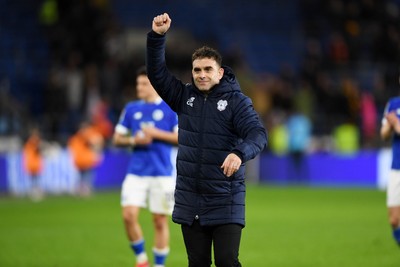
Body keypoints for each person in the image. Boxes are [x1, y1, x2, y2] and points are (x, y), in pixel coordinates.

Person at [147, 13, 268, 267]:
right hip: (191, 200)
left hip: (225, 198)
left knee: (226, 261)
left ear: (220, 72)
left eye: (207, 69)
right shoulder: (183, 97)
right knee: (197, 263)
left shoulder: (237, 102)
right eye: (197, 70)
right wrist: (157, 38)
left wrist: (239, 153)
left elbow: (257, 134)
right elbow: (157, 75)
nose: (201, 75)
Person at [113, 66, 178, 267]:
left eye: (144, 84)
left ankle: (159, 265)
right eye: (138, 83)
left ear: (154, 85)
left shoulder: (170, 109)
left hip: (162, 173)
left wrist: (155, 134)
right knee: (128, 216)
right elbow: (117, 139)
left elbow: (181, 138)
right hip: (136, 172)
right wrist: (134, 140)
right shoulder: (132, 108)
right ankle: (141, 260)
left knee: (159, 221)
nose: (139, 87)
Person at [380, 91, 400, 247]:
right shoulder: (393, 103)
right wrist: (389, 125)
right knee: (394, 220)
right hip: (396, 166)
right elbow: (384, 135)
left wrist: (396, 123)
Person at [68, 120, 104, 197]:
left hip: (87, 161)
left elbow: (98, 142)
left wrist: (97, 153)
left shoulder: (88, 136)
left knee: (87, 178)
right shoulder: (77, 138)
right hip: (80, 162)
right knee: (82, 178)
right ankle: (82, 190)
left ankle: (85, 190)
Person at [22, 126, 44, 201]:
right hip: (33, 164)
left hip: (35, 164)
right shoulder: (31, 144)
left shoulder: (31, 144)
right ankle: (34, 193)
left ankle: (35, 192)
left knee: (35, 179)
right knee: (34, 180)